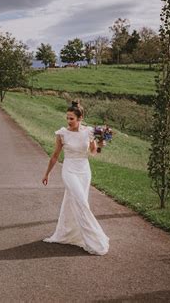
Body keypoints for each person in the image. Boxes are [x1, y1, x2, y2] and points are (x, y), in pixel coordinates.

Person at [41, 100, 109, 255]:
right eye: (67, 118)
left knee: (77, 201)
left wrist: (100, 145)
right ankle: (94, 239)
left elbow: (93, 152)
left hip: (84, 170)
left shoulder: (89, 132)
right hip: (69, 170)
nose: (68, 121)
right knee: (81, 202)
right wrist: (47, 173)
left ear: (80, 118)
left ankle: (71, 233)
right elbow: (55, 156)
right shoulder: (62, 134)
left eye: (71, 118)